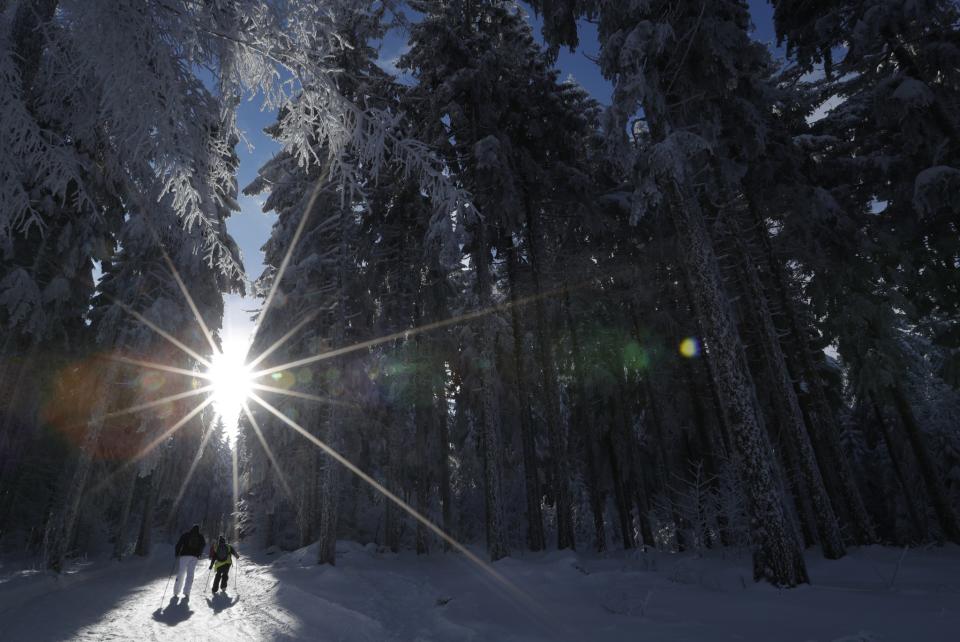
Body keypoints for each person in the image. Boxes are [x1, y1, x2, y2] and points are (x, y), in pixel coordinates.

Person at [173, 523, 206, 599]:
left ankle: (176, 592)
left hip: (184, 556)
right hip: (194, 557)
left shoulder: (186, 535)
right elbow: (203, 545)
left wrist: (177, 553)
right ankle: (187, 592)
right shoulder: (200, 537)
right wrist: (199, 553)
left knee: (181, 573)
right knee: (190, 574)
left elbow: (179, 544)